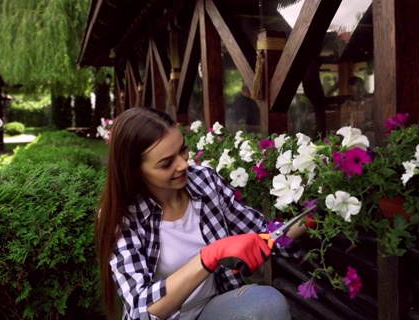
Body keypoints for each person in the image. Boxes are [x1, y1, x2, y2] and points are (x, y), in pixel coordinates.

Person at [95, 107, 306, 320]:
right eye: (167, 163)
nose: (183, 164)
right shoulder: (120, 215)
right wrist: (209, 257)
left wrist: (314, 215)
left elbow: (265, 235)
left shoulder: (204, 181)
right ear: (135, 170)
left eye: (183, 150)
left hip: (211, 311)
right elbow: (141, 310)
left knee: (267, 303)